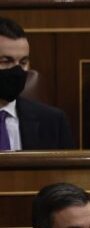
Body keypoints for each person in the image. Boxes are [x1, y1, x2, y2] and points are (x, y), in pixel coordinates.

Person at [0, 17, 73, 151]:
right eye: (6, 61)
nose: (17, 70)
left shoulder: (53, 122)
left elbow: (67, 172)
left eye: (23, 62)